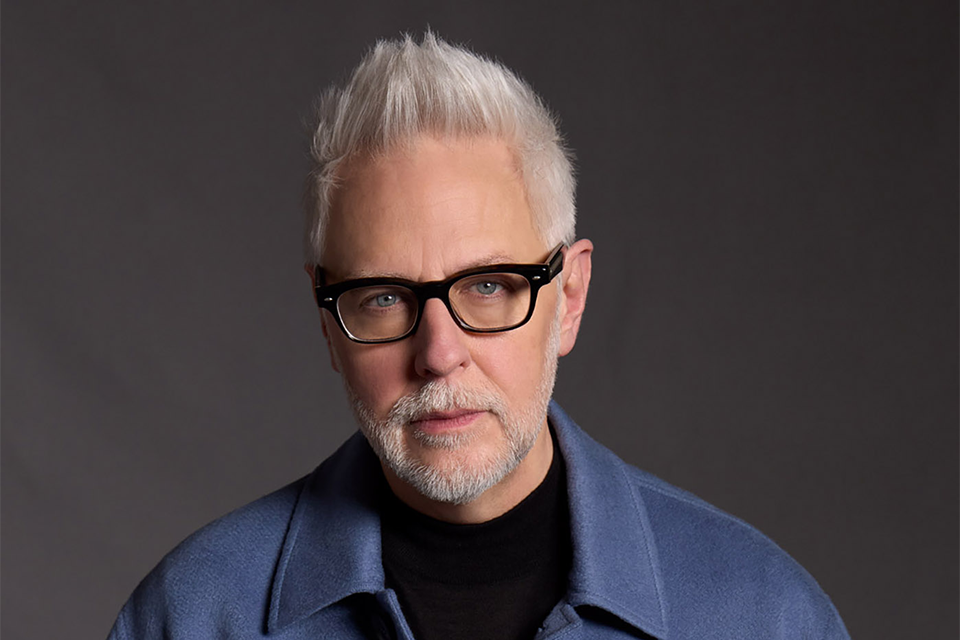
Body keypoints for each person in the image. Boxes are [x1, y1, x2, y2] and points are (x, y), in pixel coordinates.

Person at [108, 32, 849, 640]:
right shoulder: (194, 617)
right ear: (327, 323)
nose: (437, 353)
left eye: (488, 287)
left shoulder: (763, 615)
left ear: (571, 296)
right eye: (384, 298)